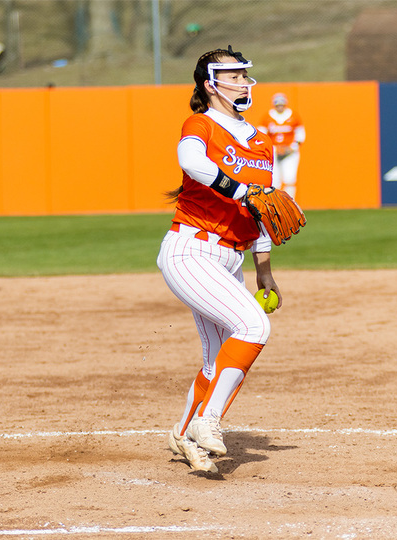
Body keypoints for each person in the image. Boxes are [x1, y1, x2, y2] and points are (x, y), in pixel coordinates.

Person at [157, 46, 280, 473]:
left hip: (231, 259)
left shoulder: (262, 141)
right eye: (234, 75)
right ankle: (208, 422)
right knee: (253, 325)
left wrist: (264, 268)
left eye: (246, 75)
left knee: (215, 358)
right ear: (210, 84)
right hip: (191, 249)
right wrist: (240, 190)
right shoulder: (201, 124)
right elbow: (190, 162)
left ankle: (184, 431)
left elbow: (267, 207)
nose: (244, 82)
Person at [257, 92, 305, 199]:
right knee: (274, 180)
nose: (280, 107)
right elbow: (261, 135)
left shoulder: (293, 116)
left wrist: (292, 147)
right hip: (273, 151)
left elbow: (301, 135)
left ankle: (290, 202)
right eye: (278, 105)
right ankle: (275, 203)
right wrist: (272, 148)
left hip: (290, 152)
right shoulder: (268, 117)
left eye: (281, 105)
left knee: (289, 178)